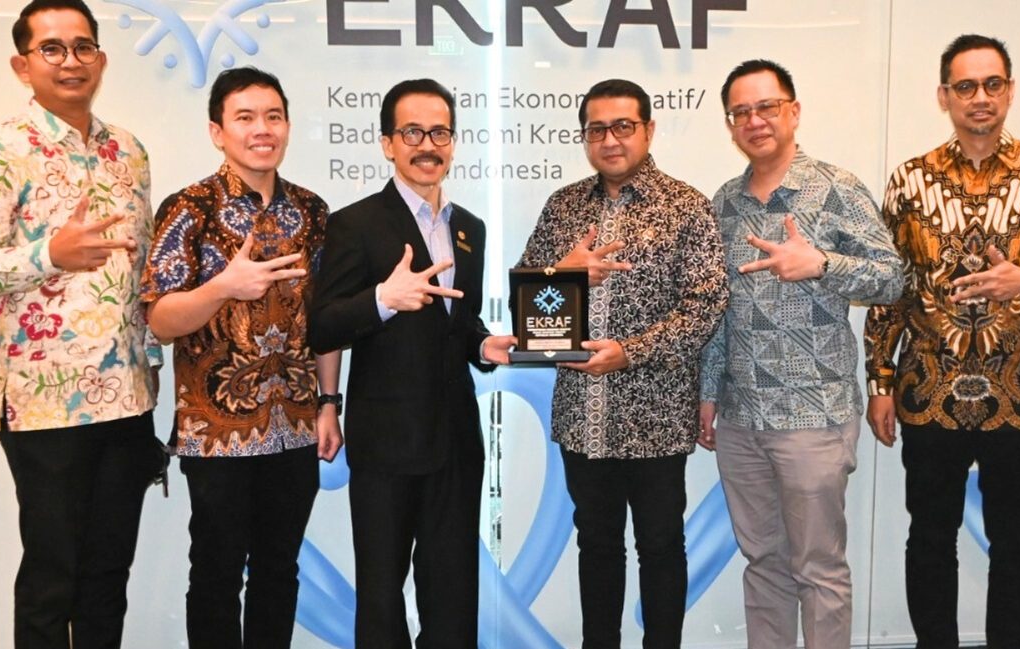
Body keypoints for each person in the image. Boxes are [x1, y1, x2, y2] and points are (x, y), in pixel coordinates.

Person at [864, 34, 1020, 649]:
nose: (980, 97)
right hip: (928, 392)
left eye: (992, 84)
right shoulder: (910, 180)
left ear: (1010, 91)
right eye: (965, 86)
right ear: (944, 96)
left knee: (1016, 544)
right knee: (929, 541)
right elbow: (890, 288)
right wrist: (880, 380)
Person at [0, 1, 161, 646]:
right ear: (23, 65)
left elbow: (143, 273)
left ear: (101, 58)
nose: (71, 61)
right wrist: (50, 255)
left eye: (83, 46)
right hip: (45, 406)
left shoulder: (129, 151)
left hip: (127, 398)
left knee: (107, 577)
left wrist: (152, 361)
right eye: (52, 48)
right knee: (51, 580)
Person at [699, 59, 903, 649]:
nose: (754, 121)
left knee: (819, 568)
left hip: (813, 415)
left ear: (793, 111)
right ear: (730, 125)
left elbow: (892, 279)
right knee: (763, 562)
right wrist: (708, 392)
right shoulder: (724, 203)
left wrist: (822, 264)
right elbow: (718, 308)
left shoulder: (836, 188)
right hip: (741, 418)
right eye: (740, 112)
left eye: (766, 107)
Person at [517, 78, 726, 649]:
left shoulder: (685, 206)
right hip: (582, 416)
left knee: (661, 546)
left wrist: (631, 351)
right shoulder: (563, 207)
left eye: (623, 126)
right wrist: (564, 273)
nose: (610, 140)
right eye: (597, 129)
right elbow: (529, 309)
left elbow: (707, 303)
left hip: (656, 415)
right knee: (597, 544)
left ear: (648, 130)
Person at [308, 78, 515, 649]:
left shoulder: (469, 228)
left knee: (453, 595)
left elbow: (459, 324)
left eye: (440, 132)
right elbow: (322, 326)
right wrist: (382, 298)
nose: (428, 145)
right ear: (388, 143)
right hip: (386, 444)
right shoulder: (354, 224)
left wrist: (484, 346)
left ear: (453, 141)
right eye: (413, 132)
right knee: (381, 597)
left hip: (455, 441)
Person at [140, 66, 341, 648]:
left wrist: (329, 403)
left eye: (273, 117)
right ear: (217, 131)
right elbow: (160, 318)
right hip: (217, 432)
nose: (262, 129)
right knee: (216, 572)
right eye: (245, 117)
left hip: (295, 426)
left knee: (280, 570)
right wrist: (224, 287)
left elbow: (325, 322)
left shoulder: (312, 211)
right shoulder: (189, 208)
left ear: (287, 127)